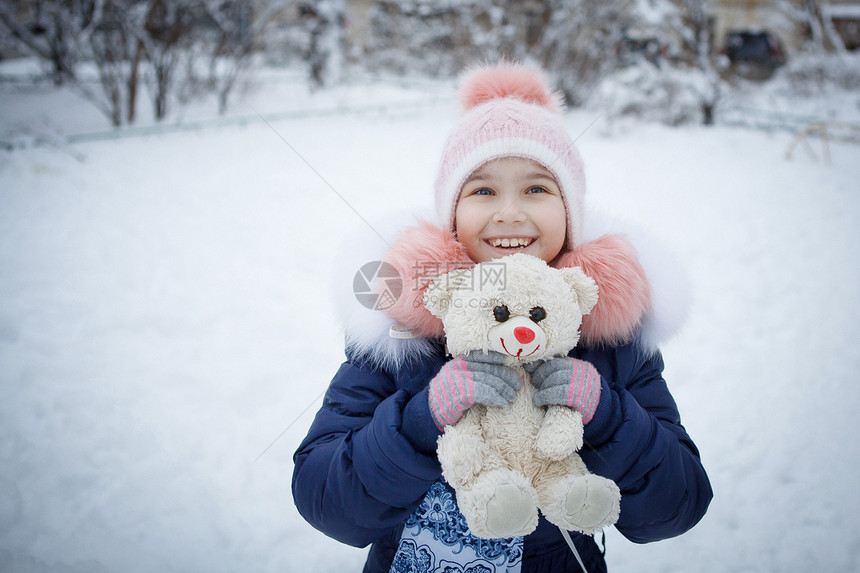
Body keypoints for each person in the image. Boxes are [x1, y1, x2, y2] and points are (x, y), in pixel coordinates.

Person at [292, 62, 712, 573]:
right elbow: (327, 502)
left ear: (570, 210)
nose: (509, 212)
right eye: (483, 190)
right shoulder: (401, 333)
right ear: (450, 213)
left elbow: (677, 507)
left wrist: (606, 415)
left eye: (537, 189)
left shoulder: (610, 337)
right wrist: (419, 421)